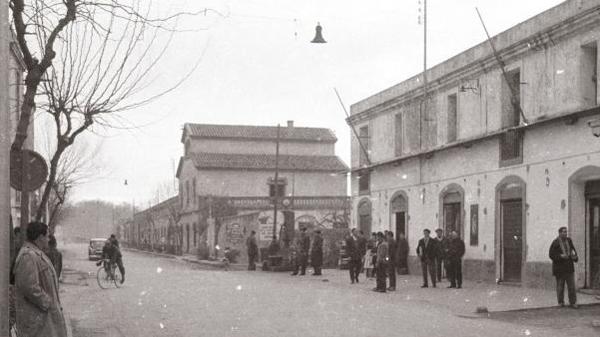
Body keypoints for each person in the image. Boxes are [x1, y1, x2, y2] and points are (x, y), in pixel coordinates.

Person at [14, 221, 68, 337]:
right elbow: (29, 286)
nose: (49, 240)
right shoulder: (28, 255)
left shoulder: (36, 253)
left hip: (42, 319)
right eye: (47, 236)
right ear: (40, 237)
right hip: (37, 322)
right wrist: (47, 302)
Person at [549, 227, 579, 308]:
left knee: (571, 286)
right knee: (560, 286)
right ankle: (560, 302)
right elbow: (551, 255)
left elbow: (573, 250)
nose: (565, 233)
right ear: (559, 233)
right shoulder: (555, 243)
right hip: (560, 268)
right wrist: (560, 256)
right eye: (563, 232)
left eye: (566, 232)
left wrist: (575, 257)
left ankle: (573, 302)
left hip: (569, 267)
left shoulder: (569, 241)